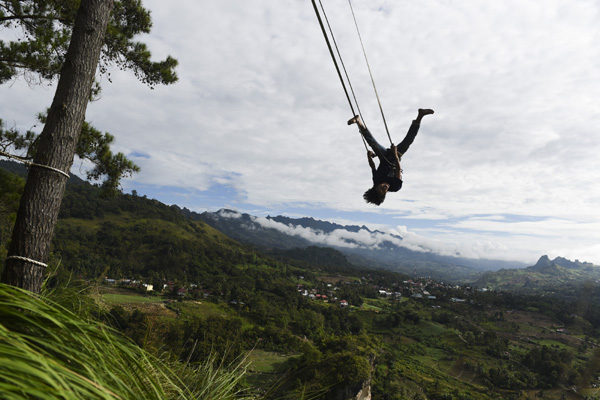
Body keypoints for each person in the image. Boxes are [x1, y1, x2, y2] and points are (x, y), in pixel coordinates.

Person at [348, 108, 434, 205]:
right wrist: (396, 154)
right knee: (409, 140)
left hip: (384, 157)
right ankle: (420, 116)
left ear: (375, 187)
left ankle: (358, 121)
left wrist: (369, 157)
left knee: (371, 142)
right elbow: (398, 169)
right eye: (383, 191)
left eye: (379, 188)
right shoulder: (395, 186)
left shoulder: (376, 180)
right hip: (395, 158)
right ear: (384, 194)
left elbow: (372, 167)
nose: (382, 188)